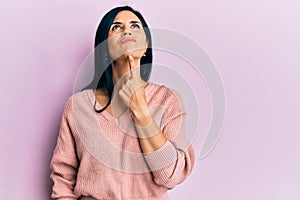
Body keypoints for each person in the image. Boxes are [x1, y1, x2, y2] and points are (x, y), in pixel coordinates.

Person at [50, 5, 195, 200]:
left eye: (135, 26)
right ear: (105, 47)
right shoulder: (78, 106)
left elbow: (170, 176)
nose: (127, 30)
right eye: (116, 27)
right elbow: (63, 179)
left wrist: (141, 111)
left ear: (145, 45)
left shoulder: (168, 100)